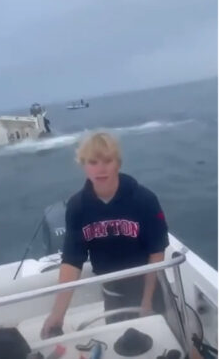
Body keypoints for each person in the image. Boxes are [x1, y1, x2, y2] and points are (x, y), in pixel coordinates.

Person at [41, 132, 168, 339]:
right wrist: (57, 314)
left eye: (107, 160)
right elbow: (72, 261)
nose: (100, 168)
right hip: (111, 293)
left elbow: (157, 252)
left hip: (149, 289)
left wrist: (146, 302)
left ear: (117, 163)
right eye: (93, 162)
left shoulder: (144, 199)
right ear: (84, 166)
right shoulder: (77, 207)